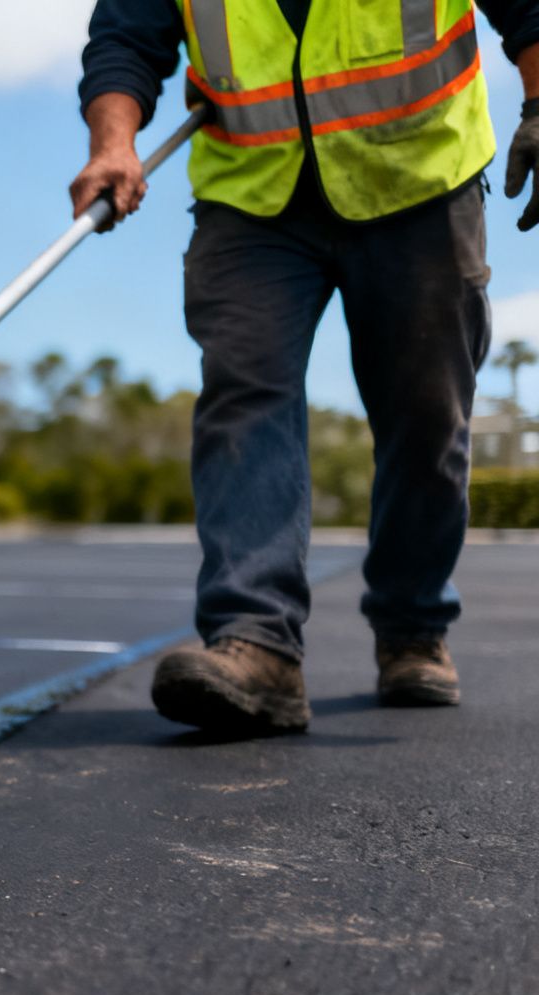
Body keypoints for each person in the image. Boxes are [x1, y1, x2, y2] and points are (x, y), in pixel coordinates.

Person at [73, 0, 539, 732]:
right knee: (244, 396)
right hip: (253, 198)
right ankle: (256, 644)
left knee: (427, 419)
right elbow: (127, 36)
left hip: (417, 180)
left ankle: (413, 625)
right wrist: (112, 143)